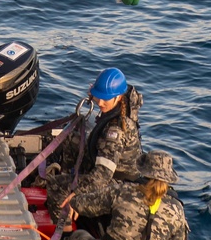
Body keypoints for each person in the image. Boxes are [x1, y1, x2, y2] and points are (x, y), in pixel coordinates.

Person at [62, 152, 188, 240]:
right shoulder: (177, 211)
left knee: (77, 237)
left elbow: (81, 205)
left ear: (143, 171)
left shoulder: (123, 191)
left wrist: (74, 198)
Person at [44, 66, 143, 211]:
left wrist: (77, 192)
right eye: (99, 97)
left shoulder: (115, 131)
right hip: (108, 171)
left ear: (119, 97)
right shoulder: (122, 106)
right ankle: (67, 175)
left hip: (117, 183)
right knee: (72, 138)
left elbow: (103, 175)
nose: (101, 103)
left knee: (55, 184)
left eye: (106, 99)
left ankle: (64, 228)